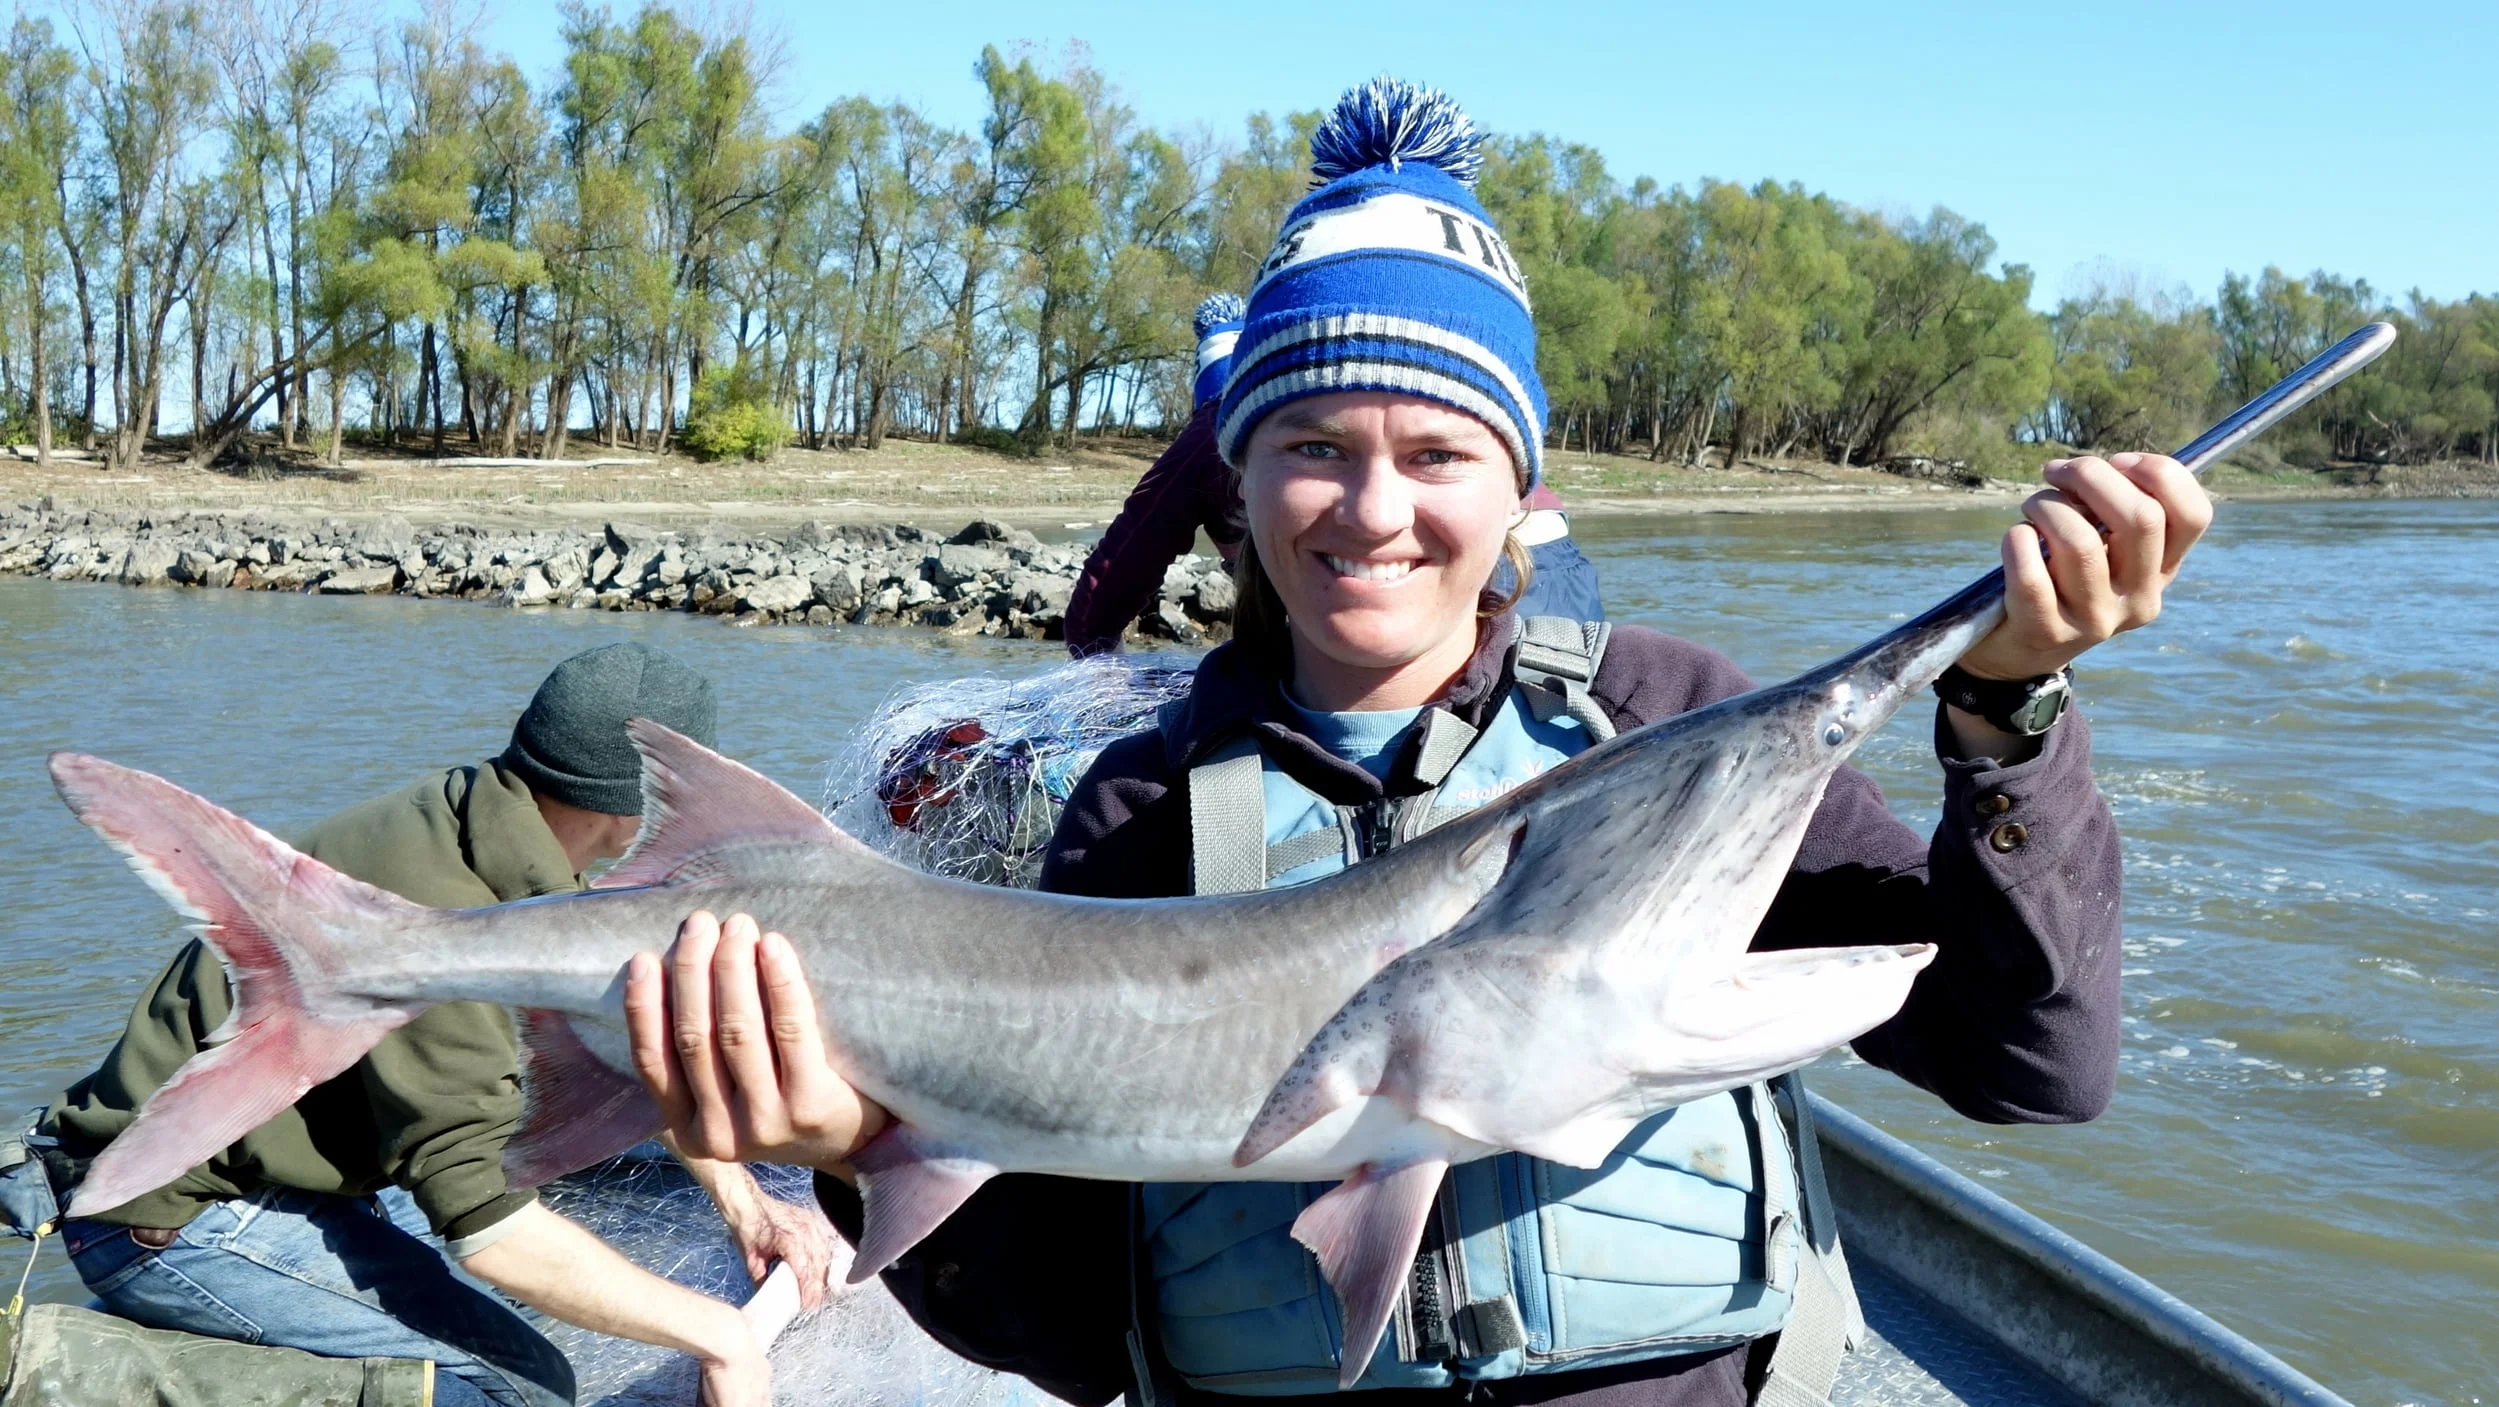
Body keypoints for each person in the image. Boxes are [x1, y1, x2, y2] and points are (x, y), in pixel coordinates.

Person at [623, 78, 2211, 1407]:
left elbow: (2034, 1067)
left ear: (1518, 485)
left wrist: (2007, 717)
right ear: (1236, 486)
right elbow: (1059, 1334)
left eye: (1438, 448)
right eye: (1312, 446)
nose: (1375, 510)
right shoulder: (1141, 802)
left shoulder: (1661, 719)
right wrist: (853, 1143)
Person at [38, 642, 828, 1407]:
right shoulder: (450, 924)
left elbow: (617, 1047)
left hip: (303, 1160)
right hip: (179, 1210)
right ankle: (114, 1372)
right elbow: (490, 1230)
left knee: (533, 1270)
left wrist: (745, 1202)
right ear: (645, 801)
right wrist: (720, 1336)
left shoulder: (492, 817)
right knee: (522, 1386)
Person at [1064, 298, 1604, 657]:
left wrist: (1092, 655)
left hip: (1507, 560)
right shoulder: (1376, 372)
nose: (1374, 514)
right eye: (1318, 450)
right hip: (1555, 555)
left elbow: (1126, 556)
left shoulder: (1214, 427)